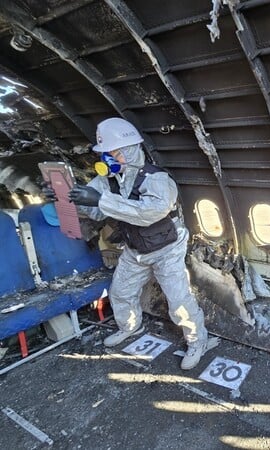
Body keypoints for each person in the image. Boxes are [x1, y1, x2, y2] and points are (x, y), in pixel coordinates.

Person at [45, 117, 208, 370]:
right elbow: (97, 211)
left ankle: (198, 341)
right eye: (105, 153)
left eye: (114, 152)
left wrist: (101, 201)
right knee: (120, 292)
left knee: (179, 301)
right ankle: (130, 327)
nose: (108, 158)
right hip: (135, 248)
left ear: (131, 150)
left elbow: (150, 212)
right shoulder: (107, 181)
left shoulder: (157, 179)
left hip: (167, 248)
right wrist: (66, 198)